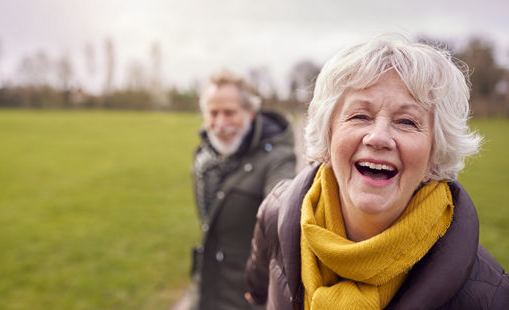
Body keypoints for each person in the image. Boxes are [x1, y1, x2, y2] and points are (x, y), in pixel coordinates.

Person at [244, 33, 509, 309]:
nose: (378, 138)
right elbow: (257, 289)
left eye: (406, 121)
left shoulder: (491, 297)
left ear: (435, 156)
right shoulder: (274, 213)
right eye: (360, 116)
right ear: (328, 137)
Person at [190, 70, 296, 310]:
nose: (220, 124)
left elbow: (283, 204)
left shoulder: (278, 158)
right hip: (205, 293)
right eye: (213, 113)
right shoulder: (204, 157)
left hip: (246, 300)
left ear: (250, 112)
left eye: (229, 112)